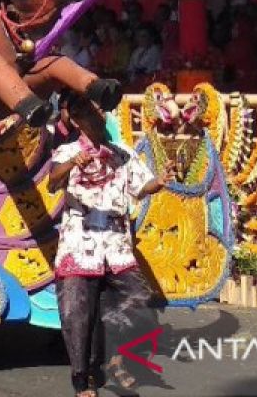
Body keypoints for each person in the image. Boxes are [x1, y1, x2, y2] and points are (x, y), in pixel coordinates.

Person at [49, 91, 173, 397]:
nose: (98, 118)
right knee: (77, 314)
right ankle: (82, 381)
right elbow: (53, 181)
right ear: (78, 121)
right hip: (79, 244)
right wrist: (72, 164)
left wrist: (159, 182)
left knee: (139, 301)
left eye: (100, 112)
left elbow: (141, 186)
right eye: (90, 114)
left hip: (116, 247)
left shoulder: (122, 153)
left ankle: (118, 358)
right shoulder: (67, 152)